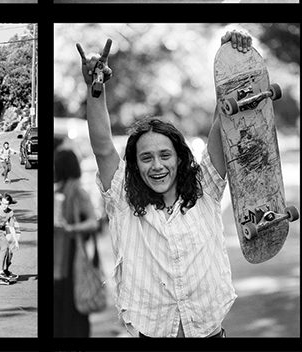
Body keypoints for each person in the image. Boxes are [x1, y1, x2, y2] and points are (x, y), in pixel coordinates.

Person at [76, 29, 252, 338]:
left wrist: (230, 56)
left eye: (164, 155)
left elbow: (222, 123)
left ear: (180, 158)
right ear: (135, 164)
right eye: (146, 158)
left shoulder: (205, 189)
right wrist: (96, 88)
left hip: (210, 332)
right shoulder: (123, 198)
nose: (157, 166)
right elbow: (103, 146)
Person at [53, 148, 100, 337]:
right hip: (58, 256)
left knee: (73, 308)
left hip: (73, 257)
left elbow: (93, 222)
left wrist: (71, 229)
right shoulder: (57, 190)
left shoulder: (78, 191)